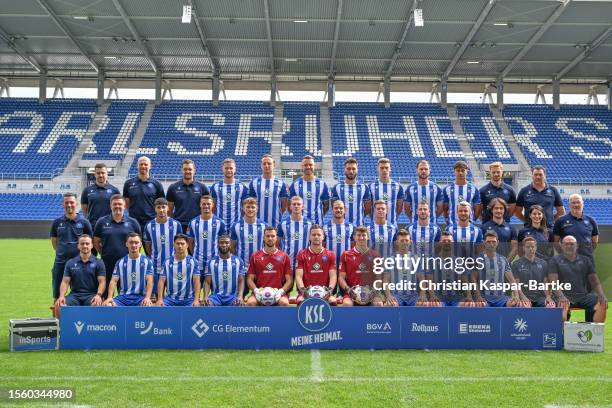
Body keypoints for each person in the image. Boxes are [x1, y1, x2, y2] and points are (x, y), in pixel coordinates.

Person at [548, 235, 607, 323]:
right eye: (566, 244)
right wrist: (561, 296)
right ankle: (561, 332)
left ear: (577, 245)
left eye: (572, 244)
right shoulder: (554, 260)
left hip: (582, 296)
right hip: (562, 295)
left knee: (601, 303)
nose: (569, 246)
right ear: (561, 245)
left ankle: (594, 331)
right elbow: (553, 282)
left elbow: (594, 281)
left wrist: (601, 294)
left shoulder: (585, 260)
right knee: (561, 314)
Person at [50, 192, 92, 310]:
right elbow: (54, 242)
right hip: (60, 263)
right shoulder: (57, 222)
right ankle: (56, 326)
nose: (69, 205)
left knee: (81, 295)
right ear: (62, 204)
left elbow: (89, 242)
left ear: (76, 204)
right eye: (66, 202)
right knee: (57, 297)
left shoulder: (84, 222)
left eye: (72, 202)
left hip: (79, 264)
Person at [93, 194, 141, 297]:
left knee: (125, 295)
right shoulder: (101, 222)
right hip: (107, 264)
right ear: (110, 206)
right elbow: (96, 241)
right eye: (115, 204)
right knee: (105, 295)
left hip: (126, 265)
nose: (117, 206)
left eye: (120, 204)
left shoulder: (133, 222)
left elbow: (138, 242)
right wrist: (103, 253)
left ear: (124, 205)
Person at [471, 231, 526, 308]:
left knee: (517, 305)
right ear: (484, 243)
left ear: (498, 242)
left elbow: (511, 280)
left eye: (493, 241)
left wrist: (516, 296)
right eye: (488, 242)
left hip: (501, 298)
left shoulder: (503, 259)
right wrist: (478, 296)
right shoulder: (478, 259)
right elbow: (473, 279)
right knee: (481, 306)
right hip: (484, 297)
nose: (491, 244)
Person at [54, 235, 105, 313]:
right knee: (59, 306)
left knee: (97, 305)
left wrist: (98, 295)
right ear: (78, 246)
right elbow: (65, 281)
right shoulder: (70, 262)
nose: (85, 246)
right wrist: (61, 296)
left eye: (87, 244)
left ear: (92, 245)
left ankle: (91, 325)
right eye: (82, 244)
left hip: (91, 295)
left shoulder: (99, 262)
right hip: (74, 296)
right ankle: (64, 325)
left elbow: (102, 281)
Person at [143, 197, 182, 298]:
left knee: (173, 295)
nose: (161, 210)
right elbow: (147, 246)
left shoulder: (176, 224)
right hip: (156, 265)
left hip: (174, 265)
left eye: (163, 207)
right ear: (155, 209)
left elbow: (180, 243)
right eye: (158, 207)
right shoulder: (149, 226)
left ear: (168, 208)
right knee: (157, 296)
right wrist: (154, 256)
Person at [245, 226, 292, 306]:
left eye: (273, 236)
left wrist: (281, 291)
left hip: (278, 293)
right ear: (263, 237)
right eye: (267, 236)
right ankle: (255, 319)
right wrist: (256, 291)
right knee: (250, 303)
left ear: (276, 238)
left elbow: (289, 280)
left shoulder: (284, 256)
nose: (270, 238)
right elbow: (249, 279)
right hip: (260, 292)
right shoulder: (255, 256)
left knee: (284, 303)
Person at [104, 233, 154, 306]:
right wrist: (109, 297)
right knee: (108, 305)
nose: (133, 245)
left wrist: (147, 297)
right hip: (123, 298)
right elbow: (113, 281)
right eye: (131, 242)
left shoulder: (147, 261)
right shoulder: (120, 262)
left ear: (140, 244)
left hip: (140, 297)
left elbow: (150, 281)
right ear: (126, 244)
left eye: (136, 243)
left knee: (148, 305)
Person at [338, 226, 383, 307]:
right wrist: (349, 290)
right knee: (347, 304)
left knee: (378, 304)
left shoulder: (375, 255)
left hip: (371, 292)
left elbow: (379, 277)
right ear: (354, 237)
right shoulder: (346, 254)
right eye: (358, 235)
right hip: (352, 292)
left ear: (368, 237)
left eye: (364, 235)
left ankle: (375, 320)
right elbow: (341, 277)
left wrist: (373, 291)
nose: (361, 238)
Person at [187, 195, 226, 285]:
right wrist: (195, 254)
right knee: (195, 290)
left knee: (215, 289)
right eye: (203, 204)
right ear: (200, 205)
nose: (206, 206)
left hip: (214, 261)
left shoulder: (219, 222)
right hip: (197, 261)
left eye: (208, 204)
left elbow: (222, 243)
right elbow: (190, 242)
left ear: (213, 205)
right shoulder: (193, 222)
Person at [295, 225, 337, 304]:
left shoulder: (331, 254)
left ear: (323, 237)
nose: (316, 237)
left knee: (333, 301)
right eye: (313, 235)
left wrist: (330, 291)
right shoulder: (301, 254)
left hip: (324, 292)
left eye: (319, 234)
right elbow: (298, 276)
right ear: (309, 237)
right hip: (307, 292)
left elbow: (333, 276)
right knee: (300, 300)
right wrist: (303, 291)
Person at [122, 156, 165, 233]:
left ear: (150, 166)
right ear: (137, 166)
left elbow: (161, 204)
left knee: (150, 244)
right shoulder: (128, 183)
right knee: (135, 244)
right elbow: (127, 203)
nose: (143, 166)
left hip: (151, 221)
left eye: (145, 164)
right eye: (141, 164)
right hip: (134, 222)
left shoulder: (157, 184)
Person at [383, 229, 426, 307]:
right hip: (397, 295)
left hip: (413, 295)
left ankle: (416, 320)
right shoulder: (390, 258)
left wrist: (423, 294)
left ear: (410, 242)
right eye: (402, 241)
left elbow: (422, 279)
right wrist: (388, 295)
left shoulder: (416, 258)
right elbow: (386, 280)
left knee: (423, 305)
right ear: (397, 243)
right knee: (390, 305)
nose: (404, 243)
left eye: (406, 240)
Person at [428, 232, 473, 307]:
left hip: (457, 298)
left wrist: (469, 296)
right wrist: (432, 295)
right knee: (434, 305)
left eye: (449, 241)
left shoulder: (460, 261)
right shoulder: (432, 261)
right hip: (439, 298)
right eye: (444, 241)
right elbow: (429, 281)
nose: (446, 243)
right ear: (439, 243)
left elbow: (465, 282)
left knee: (468, 305)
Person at [166, 159, 210, 234]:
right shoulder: (173, 187)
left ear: (194, 170)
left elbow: (208, 207)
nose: (187, 171)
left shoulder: (202, 187)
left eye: (190, 169)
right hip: (179, 225)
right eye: (185, 169)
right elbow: (169, 210)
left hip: (197, 225)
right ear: (181, 170)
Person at [156, 234, 200, 307]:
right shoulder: (167, 262)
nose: (180, 246)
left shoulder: (193, 262)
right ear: (174, 245)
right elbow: (161, 281)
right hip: (170, 300)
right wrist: (160, 299)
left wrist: (196, 300)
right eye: (178, 244)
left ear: (187, 245)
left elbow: (196, 282)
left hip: (189, 300)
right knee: (158, 307)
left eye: (182, 244)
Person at [511, 237, 556, 309]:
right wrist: (523, 297)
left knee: (551, 306)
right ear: (524, 248)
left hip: (540, 298)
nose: (530, 249)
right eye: (528, 247)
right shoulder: (516, 264)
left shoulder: (543, 263)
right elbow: (516, 285)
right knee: (525, 308)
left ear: (536, 247)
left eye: (532, 246)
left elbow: (544, 283)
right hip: (524, 297)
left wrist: (548, 297)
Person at [515, 165, 564, 230]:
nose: (538, 177)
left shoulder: (553, 190)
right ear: (532, 176)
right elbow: (517, 212)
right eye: (535, 175)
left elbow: (561, 211)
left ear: (545, 176)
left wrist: (551, 220)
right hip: (529, 229)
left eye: (540, 175)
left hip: (548, 229)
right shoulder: (524, 191)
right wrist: (528, 221)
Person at [202, 235, 245, 306]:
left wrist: (240, 296)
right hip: (216, 297)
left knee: (239, 304)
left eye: (226, 242)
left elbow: (241, 281)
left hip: (232, 297)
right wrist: (205, 296)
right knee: (207, 304)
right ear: (218, 245)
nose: (224, 245)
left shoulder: (238, 261)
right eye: (221, 243)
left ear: (230, 245)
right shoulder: (211, 262)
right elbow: (207, 282)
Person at [248, 154, 289, 227]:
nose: (266, 166)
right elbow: (251, 203)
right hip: (257, 224)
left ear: (274, 165)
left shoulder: (280, 183)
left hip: (275, 224)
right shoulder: (254, 183)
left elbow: (284, 204)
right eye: (264, 163)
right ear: (261, 165)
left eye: (269, 163)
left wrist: (277, 213)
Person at [553, 193, 599, 258]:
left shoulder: (591, 220)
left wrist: (587, 252)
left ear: (582, 204)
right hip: (567, 259)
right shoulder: (560, 220)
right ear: (569, 205)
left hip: (586, 258)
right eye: (573, 202)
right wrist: (563, 253)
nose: (576, 205)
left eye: (578, 202)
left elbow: (595, 241)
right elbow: (556, 242)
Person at [80, 163, 120, 237]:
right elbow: (84, 210)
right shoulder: (87, 190)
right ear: (95, 174)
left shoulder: (114, 190)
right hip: (92, 227)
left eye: (103, 173)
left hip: (109, 227)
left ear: (107, 174)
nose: (101, 175)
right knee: (93, 248)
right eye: (98, 173)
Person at [289, 155, 330, 225]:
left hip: (318, 224)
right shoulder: (295, 184)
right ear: (302, 167)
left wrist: (318, 215)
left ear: (314, 166)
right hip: (300, 223)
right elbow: (289, 205)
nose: (308, 167)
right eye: (305, 165)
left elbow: (326, 205)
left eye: (310, 165)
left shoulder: (322, 184)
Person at [210, 158, 249, 228]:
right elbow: (213, 207)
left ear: (235, 169)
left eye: (231, 168)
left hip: (236, 225)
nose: (229, 170)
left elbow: (245, 208)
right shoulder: (215, 187)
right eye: (226, 168)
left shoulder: (242, 187)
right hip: (219, 225)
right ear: (222, 169)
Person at [331, 157, 370, 226]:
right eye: (348, 169)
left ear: (357, 170)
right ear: (344, 170)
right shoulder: (336, 187)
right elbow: (334, 207)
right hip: (342, 227)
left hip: (359, 227)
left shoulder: (364, 187)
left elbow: (367, 208)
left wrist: (359, 217)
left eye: (353, 169)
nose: (351, 171)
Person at [277, 196, 313, 271]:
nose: (296, 206)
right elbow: (277, 243)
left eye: (298, 204)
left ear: (302, 206)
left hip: (305, 262)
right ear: (290, 207)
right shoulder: (282, 224)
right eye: (294, 204)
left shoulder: (310, 224)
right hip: (287, 262)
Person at [404, 160, 443, 225]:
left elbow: (440, 209)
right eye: (421, 169)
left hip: (432, 225)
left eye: (426, 169)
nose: (423, 171)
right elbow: (407, 209)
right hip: (414, 225)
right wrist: (414, 219)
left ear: (429, 170)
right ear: (417, 170)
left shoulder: (436, 188)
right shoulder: (410, 188)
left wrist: (432, 217)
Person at [443, 160, 481, 225]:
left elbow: (477, 209)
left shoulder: (474, 189)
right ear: (454, 172)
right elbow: (445, 209)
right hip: (452, 224)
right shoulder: (447, 189)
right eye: (458, 170)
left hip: (468, 225)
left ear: (467, 171)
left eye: (463, 170)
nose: (460, 173)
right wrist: (447, 220)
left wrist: (471, 220)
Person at [369, 158, 403, 225]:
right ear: (378, 169)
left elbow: (399, 207)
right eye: (381, 168)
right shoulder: (371, 186)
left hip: (392, 225)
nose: (384, 170)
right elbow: (368, 207)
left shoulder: (398, 186)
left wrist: (393, 217)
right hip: (375, 225)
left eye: (386, 168)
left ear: (390, 169)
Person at [324, 200, 354, 271]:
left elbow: (353, 246)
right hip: (330, 265)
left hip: (346, 264)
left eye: (341, 208)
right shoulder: (325, 227)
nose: (338, 210)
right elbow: (323, 247)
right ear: (332, 210)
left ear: (345, 210)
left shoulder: (351, 226)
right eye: (336, 208)